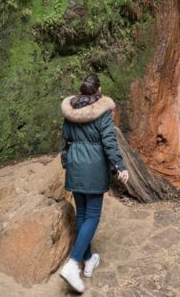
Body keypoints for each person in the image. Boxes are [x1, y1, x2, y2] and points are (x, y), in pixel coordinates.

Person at [58, 73, 129, 294]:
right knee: (93, 215)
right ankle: (72, 263)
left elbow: (66, 135)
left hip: (75, 163)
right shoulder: (103, 112)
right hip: (94, 166)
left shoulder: (71, 111)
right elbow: (108, 140)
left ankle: (88, 260)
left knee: (82, 214)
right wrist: (119, 165)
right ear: (98, 89)